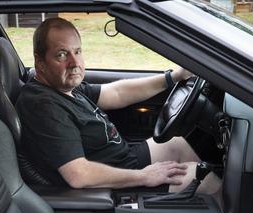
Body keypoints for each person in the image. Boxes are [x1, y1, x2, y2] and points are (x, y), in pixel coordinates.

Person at [16, 17, 220, 194]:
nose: (74, 62)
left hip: (123, 160)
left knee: (177, 144)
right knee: (204, 179)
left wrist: (172, 77)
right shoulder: (42, 105)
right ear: (40, 62)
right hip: (111, 186)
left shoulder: (64, 86)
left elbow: (117, 93)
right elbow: (78, 175)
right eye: (62, 54)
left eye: (77, 51)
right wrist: (144, 176)